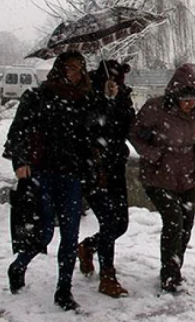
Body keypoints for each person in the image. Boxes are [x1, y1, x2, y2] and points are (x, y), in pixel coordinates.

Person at [3, 50, 115, 311]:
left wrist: (109, 99)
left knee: (70, 233)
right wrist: (20, 162)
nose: (73, 74)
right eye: (69, 68)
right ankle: (18, 265)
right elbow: (17, 132)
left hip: (72, 174)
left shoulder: (87, 99)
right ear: (59, 69)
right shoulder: (38, 97)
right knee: (43, 232)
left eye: (78, 68)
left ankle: (64, 289)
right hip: (41, 173)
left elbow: (101, 129)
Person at [129, 63, 195, 292]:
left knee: (186, 223)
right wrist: (153, 153)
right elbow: (134, 133)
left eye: (194, 99)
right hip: (158, 174)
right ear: (174, 95)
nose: (190, 104)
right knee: (174, 220)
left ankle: (175, 268)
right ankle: (168, 274)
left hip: (187, 174)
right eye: (185, 99)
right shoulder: (155, 108)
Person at [77, 60, 135, 298]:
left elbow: (127, 127)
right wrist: (102, 101)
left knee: (121, 224)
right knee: (109, 221)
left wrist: (117, 101)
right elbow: (84, 128)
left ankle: (88, 246)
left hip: (116, 167)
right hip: (93, 170)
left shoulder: (122, 97)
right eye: (111, 79)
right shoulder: (86, 97)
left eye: (119, 80)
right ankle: (107, 277)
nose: (116, 83)